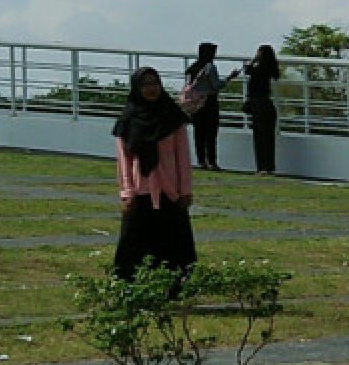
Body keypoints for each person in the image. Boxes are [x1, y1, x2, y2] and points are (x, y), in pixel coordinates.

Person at [112, 66, 197, 285]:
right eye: (145, 84)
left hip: (171, 193)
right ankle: (129, 289)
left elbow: (183, 158)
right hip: (140, 192)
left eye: (155, 83)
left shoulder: (172, 118)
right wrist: (127, 192)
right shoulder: (128, 120)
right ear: (137, 88)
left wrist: (185, 191)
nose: (151, 89)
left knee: (173, 245)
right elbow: (124, 160)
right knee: (133, 245)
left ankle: (176, 289)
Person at [184, 42, 240, 171]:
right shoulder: (210, 67)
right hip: (209, 102)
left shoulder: (194, 66)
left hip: (196, 103)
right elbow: (216, 85)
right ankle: (212, 162)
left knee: (199, 133)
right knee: (211, 133)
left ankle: (201, 161)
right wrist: (230, 78)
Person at [241, 44, 280, 175]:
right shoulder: (270, 69)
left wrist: (253, 60)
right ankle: (269, 166)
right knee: (268, 138)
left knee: (259, 137)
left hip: (258, 105)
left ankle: (262, 167)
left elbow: (247, 70)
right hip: (267, 105)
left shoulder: (258, 69)